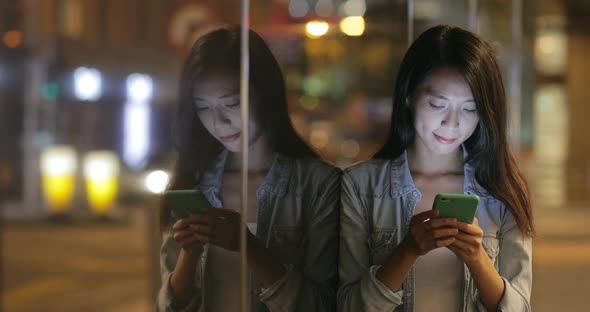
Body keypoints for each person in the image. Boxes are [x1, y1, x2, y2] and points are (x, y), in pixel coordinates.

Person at [338, 25, 534, 311]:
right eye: (437, 104)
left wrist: (477, 258)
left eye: (469, 109)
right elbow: (348, 305)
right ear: (408, 96)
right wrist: (407, 251)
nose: (452, 123)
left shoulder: (502, 190)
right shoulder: (361, 185)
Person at [156, 25, 340, 312]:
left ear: (265, 95)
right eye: (203, 108)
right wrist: (189, 255)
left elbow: (323, 303)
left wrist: (248, 247)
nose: (219, 123)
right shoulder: (192, 183)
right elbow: (169, 307)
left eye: (232, 104)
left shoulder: (317, 184)